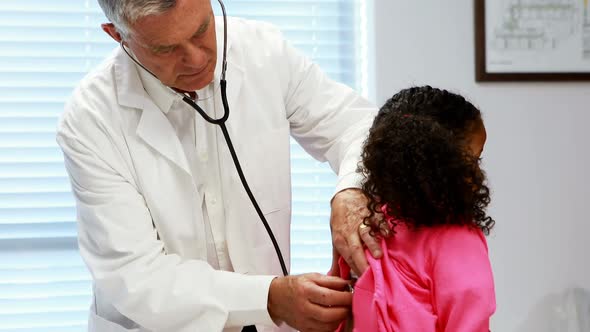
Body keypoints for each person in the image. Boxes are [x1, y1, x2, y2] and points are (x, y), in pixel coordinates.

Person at [56, 0, 381, 331]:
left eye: (201, 29)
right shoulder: (91, 120)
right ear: (117, 36)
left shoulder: (263, 52)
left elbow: (358, 126)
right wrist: (269, 298)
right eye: (166, 49)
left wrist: (352, 188)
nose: (197, 59)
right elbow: (137, 275)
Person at [337, 86, 496, 331]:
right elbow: (469, 320)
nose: (479, 173)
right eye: (474, 159)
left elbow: (339, 314)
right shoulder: (458, 240)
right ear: (445, 167)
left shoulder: (364, 228)